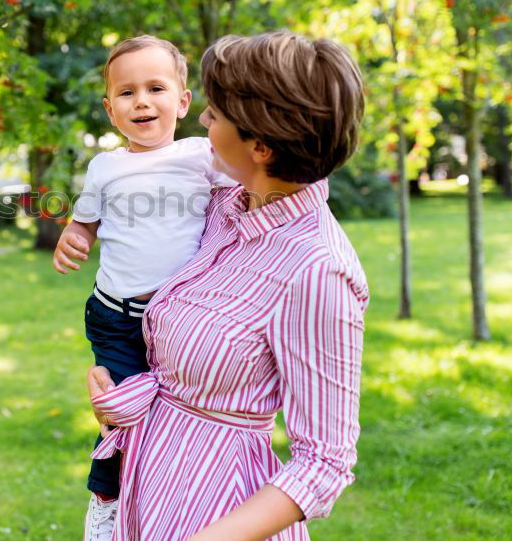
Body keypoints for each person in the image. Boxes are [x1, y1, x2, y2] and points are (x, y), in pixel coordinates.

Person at [86, 30, 369, 540]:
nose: (203, 120)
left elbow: (323, 464)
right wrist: (123, 390)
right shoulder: (221, 208)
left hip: (217, 512)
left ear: (260, 146)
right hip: (146, 489)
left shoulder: (317, 270)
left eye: (215, 114)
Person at [52, 35, 235, 540]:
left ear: (182, 101)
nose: (142, 101)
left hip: (178, 320)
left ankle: (173, 503)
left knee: (173, 420)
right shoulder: (105, 168)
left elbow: (250, 180)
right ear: (111, 110)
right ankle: (106, 499)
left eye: (155, 88)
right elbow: (83, 223)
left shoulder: (203, 155)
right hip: (116, 314)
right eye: (127, 93)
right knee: (122, 412)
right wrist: (73, 237)